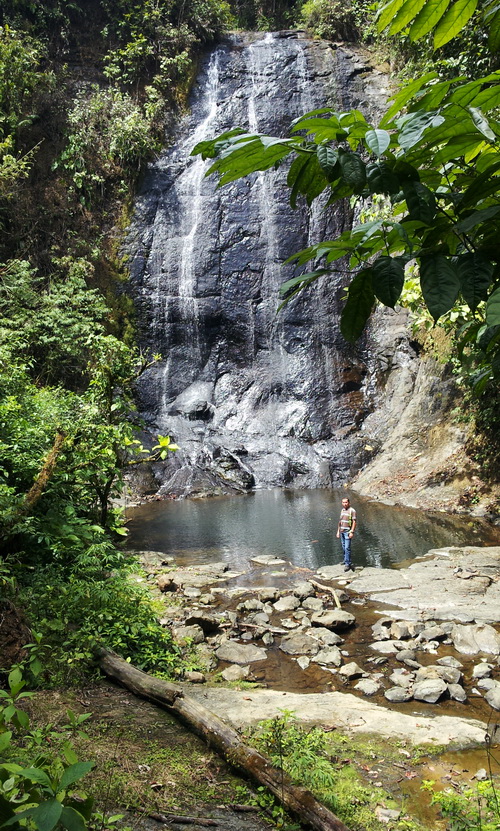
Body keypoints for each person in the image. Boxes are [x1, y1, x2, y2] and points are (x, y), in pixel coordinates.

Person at [336, 497, 356, 572]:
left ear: (349, 503)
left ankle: (348, 564)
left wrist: (352, 532)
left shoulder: (352, 511)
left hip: (348, 532)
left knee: (347, 548)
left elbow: (354, 522)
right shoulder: (342, 510)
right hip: (342, 531)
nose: (344, 504)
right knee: (344, 547)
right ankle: (345, 560)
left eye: (346, 502)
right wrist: (338, 531)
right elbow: (340, 522)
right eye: (343, 502)